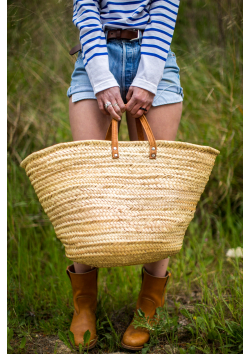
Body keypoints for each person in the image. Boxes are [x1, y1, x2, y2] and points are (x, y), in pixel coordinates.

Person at [66, 0, 183, 350]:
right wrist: (102, 81)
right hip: (96, 55)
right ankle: (83, 305)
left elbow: (165, 10)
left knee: (156, 191)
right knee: (88, 188)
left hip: (155, 56)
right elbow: (85, 8)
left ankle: (149, 305)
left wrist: (148, 81)